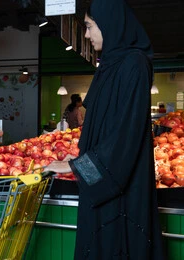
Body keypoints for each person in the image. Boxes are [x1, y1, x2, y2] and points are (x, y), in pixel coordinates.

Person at [49, 0, 165, 259]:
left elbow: (125, 137)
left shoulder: (133, 65)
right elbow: (107, 128)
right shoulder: (113, 65)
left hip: (122, 191)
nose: (87, 35)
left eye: (90, 27)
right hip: (103, 183)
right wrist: (80, 160)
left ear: (110, 24)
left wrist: (77, 166)